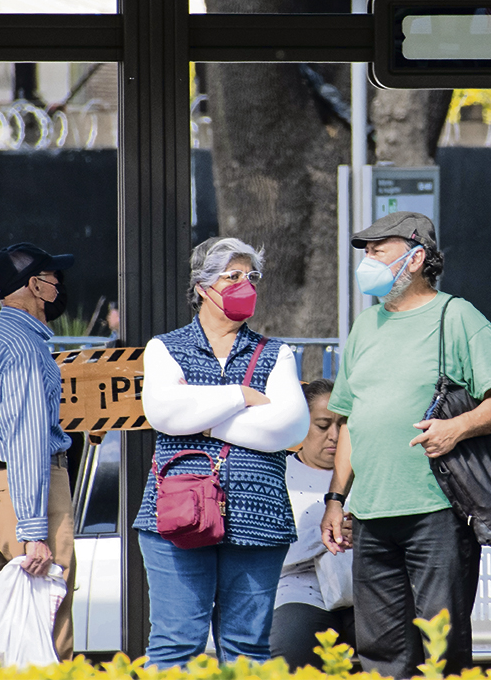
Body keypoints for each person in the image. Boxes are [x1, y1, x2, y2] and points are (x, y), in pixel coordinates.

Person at [319, 212, 491, 677]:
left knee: (441, 648)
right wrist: (336, 499)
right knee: (380, 652)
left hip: (437, 512)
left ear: (416, 258)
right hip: (369, 515)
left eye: (377, 251)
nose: (367, 261)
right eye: (365, 252)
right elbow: (350, 419)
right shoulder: (365, 326)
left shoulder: (458, 316)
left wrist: (458, 427)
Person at [134, 237, 310, 668]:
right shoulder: (164, 347)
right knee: (175, 644)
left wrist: (203, 418)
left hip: (258, 517)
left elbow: (289, 428)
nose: (244, 285)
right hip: (178, 515)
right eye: (233, 276)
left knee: (247, 650)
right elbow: (165, 414)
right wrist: (243, 395)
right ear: (201, 286)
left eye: (251, 277)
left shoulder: (277, 353)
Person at [0, 242, 78, 660]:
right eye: (54, 278)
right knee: (48, 618)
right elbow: (26, 439)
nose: (60, 285)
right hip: (29, 485)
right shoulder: (23, 348)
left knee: (19, 624)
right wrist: (32, 531)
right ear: (35, 285)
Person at [271, 379, 356, 670]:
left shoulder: (369, 475)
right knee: (291, 651)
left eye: (342, 425)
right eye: (322, 425)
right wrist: (327, 535)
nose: (334, 436)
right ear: (302, 425)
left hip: (366, 591)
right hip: (299, 591)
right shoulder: (277, 476)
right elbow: (270, 553)